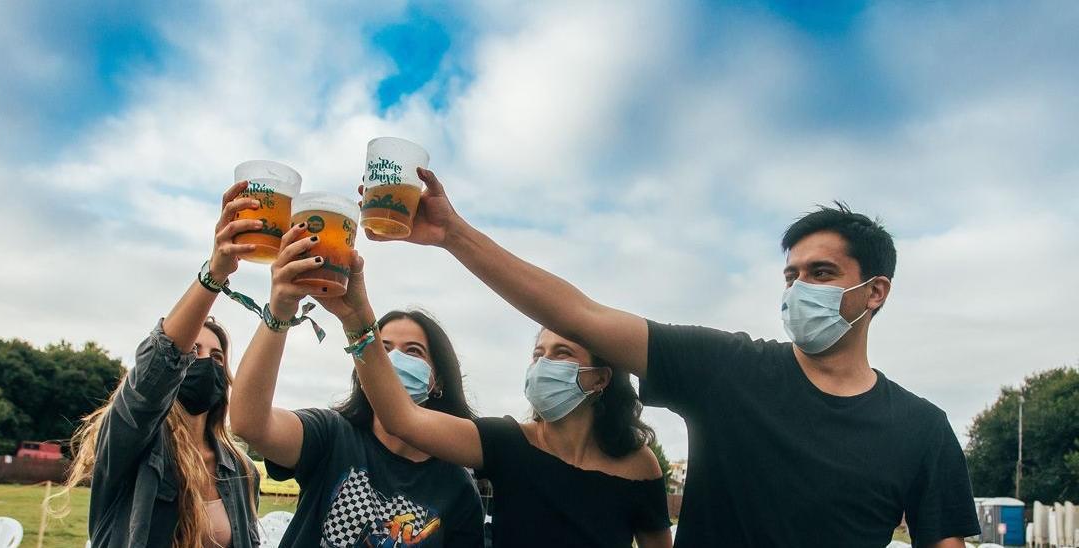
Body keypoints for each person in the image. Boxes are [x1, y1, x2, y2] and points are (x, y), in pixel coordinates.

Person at [367, 169, 981, 548]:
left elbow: (942, 541)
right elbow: (579, 313)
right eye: (791, 274)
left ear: (875, 291)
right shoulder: (727, 370)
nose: (798, 290)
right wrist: (454, 234)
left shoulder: (921, 429)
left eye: (822, 273)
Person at [312, 247, 673, 547]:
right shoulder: (508, 442)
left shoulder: (639, 466)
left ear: (600, 379)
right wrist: (356, 318)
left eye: (562, 353)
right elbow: (402, 418)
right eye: (538, 353)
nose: (543, 364)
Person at [229, 224, 485, 547]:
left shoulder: (457, 486)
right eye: (383, 347)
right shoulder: (332, 435)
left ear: (439, 382)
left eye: (414, 352)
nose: (392, 361)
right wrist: (280, 311)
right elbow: (248, 423)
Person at [55, 181, 261, 547]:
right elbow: (158, 364)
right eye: (192, 351)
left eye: (216, 357)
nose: (204, 364)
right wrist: (216, 272)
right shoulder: (131, 440)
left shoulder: (239, 466)